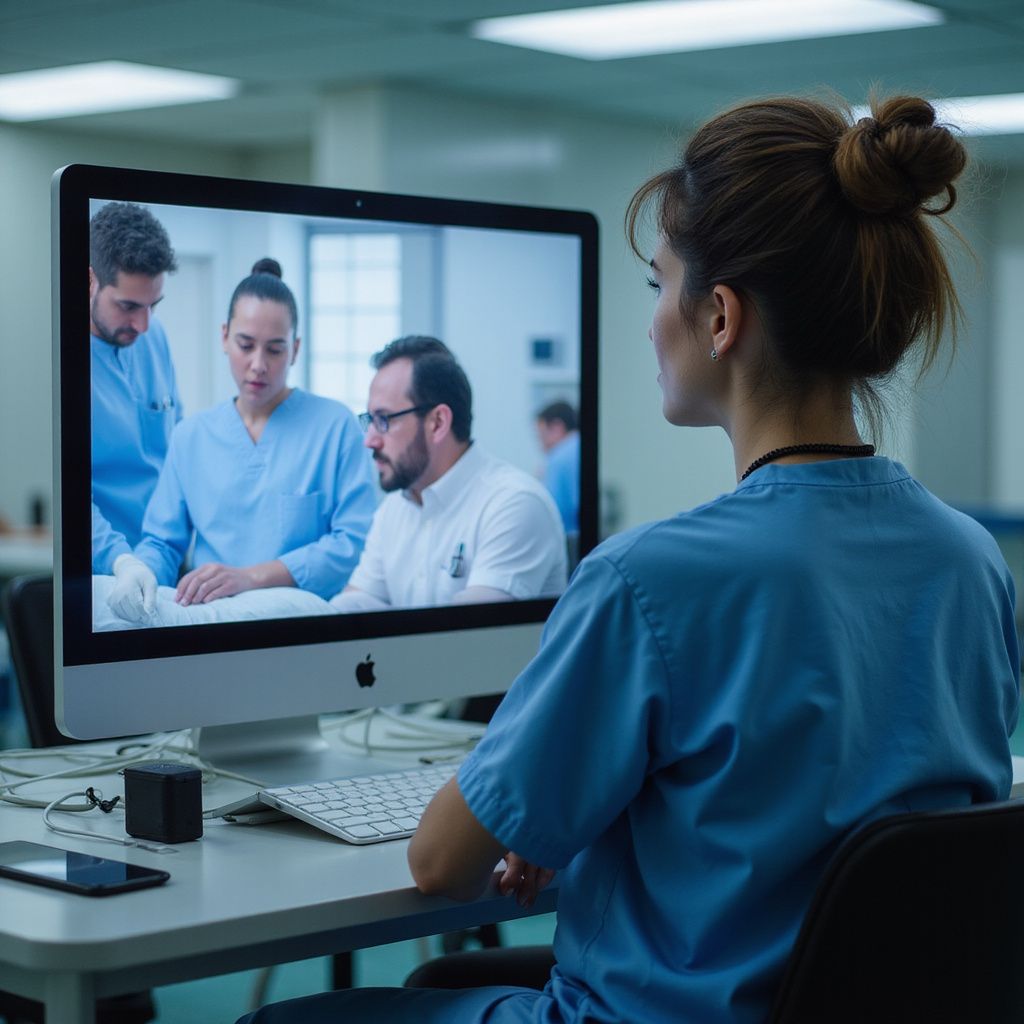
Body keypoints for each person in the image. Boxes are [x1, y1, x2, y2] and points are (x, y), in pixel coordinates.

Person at [236, 96, 1020, 1024]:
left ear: (720, 316)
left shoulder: (647, 580)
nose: (652, 321)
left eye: (659, 285)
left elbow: (440, 862)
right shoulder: (972, 563)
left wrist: (550, 783)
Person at [108, 259, 375, 621]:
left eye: (275, 349)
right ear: (224, 337)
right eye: (245, 345)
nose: (258, 364)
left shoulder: (336, 426)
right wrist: (137, 574)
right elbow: (162, 543)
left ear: (295, 349)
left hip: (307, 629)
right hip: (214, 628)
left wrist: (249, 578)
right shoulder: (192, 436)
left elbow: (352, 543)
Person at [330, 336, 566, 612]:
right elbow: (358, 602)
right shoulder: (393, 509)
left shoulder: (514, 504)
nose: (369, 440)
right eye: (369, 421)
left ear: (438, 422)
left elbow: (468, 642)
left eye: (384, 420)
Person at [90, 201, 180, 576]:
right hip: (104, 569)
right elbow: (69, 492)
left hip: (166, 557)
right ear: (88, 279)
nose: (143, 324)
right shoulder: (54, 357)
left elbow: (177, 451)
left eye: (153, 305)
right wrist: (120, 560)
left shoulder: (152, 336)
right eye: (128, 306)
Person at [535, 400, 580, 533]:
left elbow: (551, 511)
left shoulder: (558, 458)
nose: (541, 446)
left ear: (557, 427)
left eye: (541, 436)